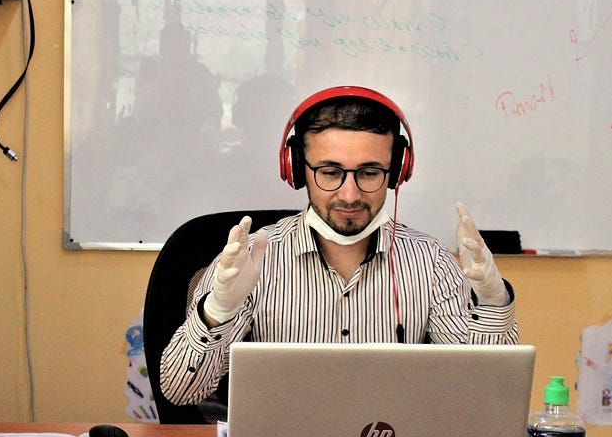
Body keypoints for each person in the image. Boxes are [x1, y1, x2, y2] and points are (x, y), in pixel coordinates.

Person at [159, 86, 519, 418]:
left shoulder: (430, 262)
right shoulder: (252, 261)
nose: (349, 195)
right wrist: (217, 311)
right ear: (296, 168)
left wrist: (492, 301)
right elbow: (180, 392)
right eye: (330, 172)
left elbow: (487, 398)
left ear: (397, 173)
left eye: (369, 172)